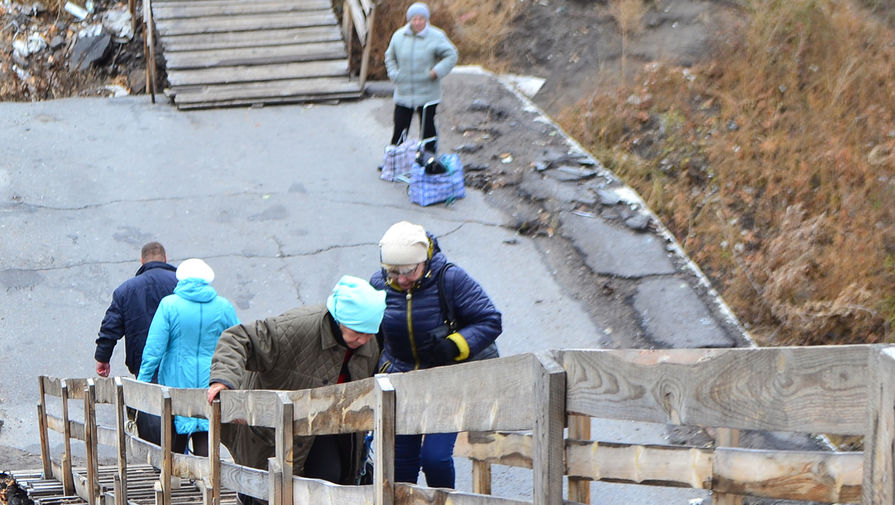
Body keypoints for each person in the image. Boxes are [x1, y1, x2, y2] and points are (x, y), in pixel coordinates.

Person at [208, 275, 385, 494]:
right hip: (275, 429)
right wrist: (223, 381)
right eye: (358, 333)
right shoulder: (297, 327)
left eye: (370, 334)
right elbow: (237, 338)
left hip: (330, 427)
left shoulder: (370, 344)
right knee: (271, 490)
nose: (365, 340)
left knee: (330, 479)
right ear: (340, 320)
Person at [370, 221, 502, 488]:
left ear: (425, 260)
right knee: (401, 464)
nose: (402, 279)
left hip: (447, 382)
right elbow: (371, 335)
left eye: (409, 271)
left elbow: (490, 320)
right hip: (402, 382)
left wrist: (455, 345)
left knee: (435, 458)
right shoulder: (377, 284)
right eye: (394, 272)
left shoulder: (450, 278)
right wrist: (382, 368)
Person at [138, 258, 239, 456]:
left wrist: (142, 381)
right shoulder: (223, 307)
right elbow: (239, 339)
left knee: (175, 430)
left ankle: (172, 479)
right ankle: (206, 480)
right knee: (204, 428)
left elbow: (154, 348)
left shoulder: (169, 305)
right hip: (209, 378)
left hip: (176, 379)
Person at [94, 241, 177, 445]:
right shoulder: (182, 284)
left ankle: (161, 462)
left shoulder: (126, 290)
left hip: (143, 360)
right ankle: (183, 461)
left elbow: (110, 326)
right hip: (178, 359)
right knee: (181, 408)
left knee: (150, 409)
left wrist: (102, 357)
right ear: (165, 259)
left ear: (142, 261)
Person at [384, 2, 458, 155]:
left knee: (427, 128)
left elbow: (451, 55)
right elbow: (389, 56)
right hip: (404, 91)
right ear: (409, 20)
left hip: (427, 92)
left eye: (421, 19)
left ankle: (429, 159)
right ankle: (394, 158)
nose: (417, 22)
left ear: (426, 20)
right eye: (414, 19)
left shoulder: (436, 36)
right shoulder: (399, 36)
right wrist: (394, 74)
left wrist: (436, 72)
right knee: (400, 127)